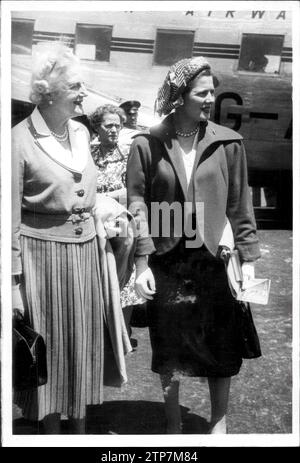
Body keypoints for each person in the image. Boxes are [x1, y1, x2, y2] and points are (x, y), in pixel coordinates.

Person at [127, 57, 261, 434]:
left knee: (222, 342)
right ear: (179, 96)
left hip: (214, 258)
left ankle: (220, 424)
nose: (211, 99)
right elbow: (136, 203)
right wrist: (141, 262)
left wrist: (247, 259)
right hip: (168, 260)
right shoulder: (147, 142)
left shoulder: (229, 143)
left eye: (212, 91)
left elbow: (240, 204)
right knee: (169, 346)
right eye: (202, 92)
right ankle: (173, 426)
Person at [12, 42, 132, 434]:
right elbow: (9, 217)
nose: (84, 93)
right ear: (49, 91)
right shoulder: (18, 140)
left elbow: (89, 193)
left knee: (83, 341)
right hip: (40, 255)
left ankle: (79, 432)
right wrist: (14, 282)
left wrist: (112, 212)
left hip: (87, 253)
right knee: (51, 344)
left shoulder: (80, 131)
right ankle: (51, 434)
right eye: (76, 85)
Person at [89, 104, 143, 347]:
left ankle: (123, 334)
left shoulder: (129, 153)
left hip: (121, 223)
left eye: (117, 126)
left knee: (126, 277)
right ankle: (99, 335)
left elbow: (135, 190)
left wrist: (108, 197)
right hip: (95, 224)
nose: (113, 130)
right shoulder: (87, 153)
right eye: (108, 125)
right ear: (96, 127)